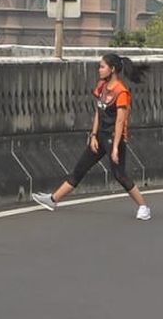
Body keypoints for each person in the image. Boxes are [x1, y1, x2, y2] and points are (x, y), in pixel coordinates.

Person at [32, 53, 152, 220]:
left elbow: (120, 122)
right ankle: (53, 199)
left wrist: (116, 147)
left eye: (102, 67)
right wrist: (93, 135)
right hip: (100, 136)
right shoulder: (102, 86)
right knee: (80, 169)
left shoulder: (121, 92)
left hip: (113, 138)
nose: (99, 70)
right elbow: (98, 112)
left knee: (120, 175)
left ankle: (143, 206)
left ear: (113, 69)